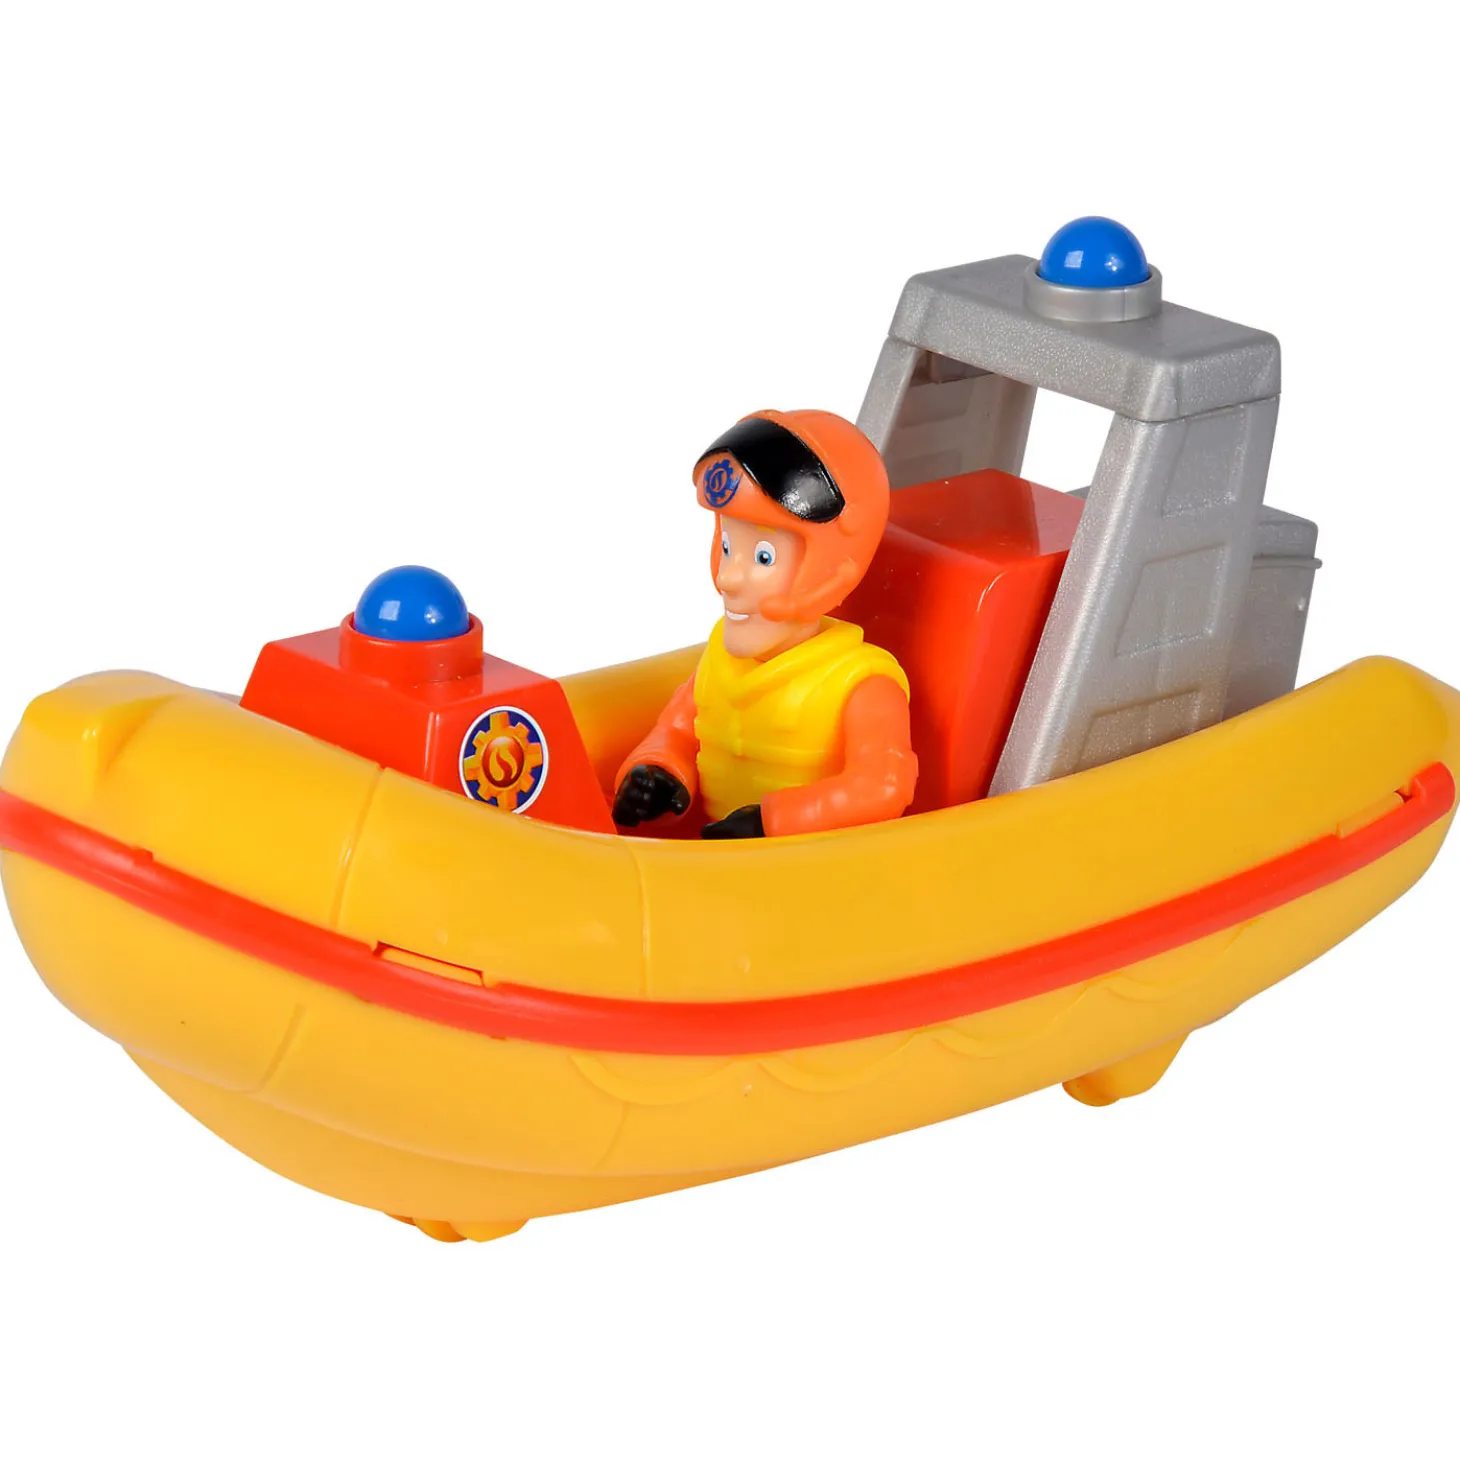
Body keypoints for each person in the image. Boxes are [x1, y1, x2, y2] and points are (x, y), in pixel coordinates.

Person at [612, 409, 916, 839]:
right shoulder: (721, 657)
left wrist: (771, 821)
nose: (728, 578)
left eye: (763, 557)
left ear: (830, 571)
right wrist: (659, 771)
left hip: (806, 866)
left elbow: (883, 785)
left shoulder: (861, 685)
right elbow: (676, 731)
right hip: (719, 856)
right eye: (726, 546)